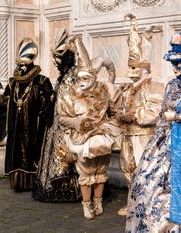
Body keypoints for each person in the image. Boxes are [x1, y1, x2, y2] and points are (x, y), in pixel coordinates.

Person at [32, 29, 119, 203]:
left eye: (60, 57)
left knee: (80, 156)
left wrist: (111, 80)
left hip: (78, 123)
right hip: (61, 121)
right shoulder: (63, 76)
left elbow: (100, 64)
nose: (56, 62)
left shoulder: (79, 73)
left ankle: (86, 193)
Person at [56, 35, 122, 219]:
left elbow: (112, 112)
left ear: (93, 77)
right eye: (80, 77)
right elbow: (62, 117)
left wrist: (118, 120)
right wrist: (76, 122)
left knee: (101, 170)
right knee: (86, 172)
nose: (82, 80)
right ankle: (86, 206)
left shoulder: (104, 93)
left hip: (102, 136)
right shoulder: (69, 96)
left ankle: (98, 203)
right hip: (81, 138)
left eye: (87, 77)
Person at [0, 37, 55, 192]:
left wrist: (45, 110)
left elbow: (49, 103)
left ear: (30, 63)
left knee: (31, 152)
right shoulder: (13, 83)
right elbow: (5, 101)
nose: (20, 67)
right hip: (15, 126)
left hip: (33, 127)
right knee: (16, 153)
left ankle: (34, 182)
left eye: (23, 64)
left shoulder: (42, 81)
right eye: (18, 63)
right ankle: (17, 183)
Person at [125, 32, 181, 233]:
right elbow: (160, 115)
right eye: (174, 64)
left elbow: (167, 113)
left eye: (179, 64)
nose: (175, 69)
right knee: (145, 183)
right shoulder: (171, 85)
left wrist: (175, 116)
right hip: (164, 143)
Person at [116, 14, 164, 216]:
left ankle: (147, 204)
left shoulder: (153, 86)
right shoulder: (128, 88)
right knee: (128, 168)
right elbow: (119, 106)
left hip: (144, 136)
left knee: (145, 169)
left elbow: (154, 110)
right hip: (127, 135)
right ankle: (133, 201)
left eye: (135, 67)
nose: (131, 71)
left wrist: (134, 115)